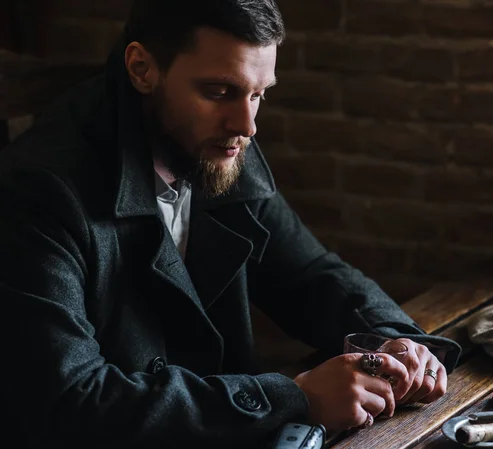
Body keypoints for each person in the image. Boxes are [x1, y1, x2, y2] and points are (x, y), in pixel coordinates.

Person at [0, 1, 461, 448]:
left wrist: (395, 340)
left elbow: (309, 275)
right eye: (219, 92)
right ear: (141, 68)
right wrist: (293, 397)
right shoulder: (38, 190)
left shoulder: (214, 142)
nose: (247, 124)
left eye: (259, 94)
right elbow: (67, 402)